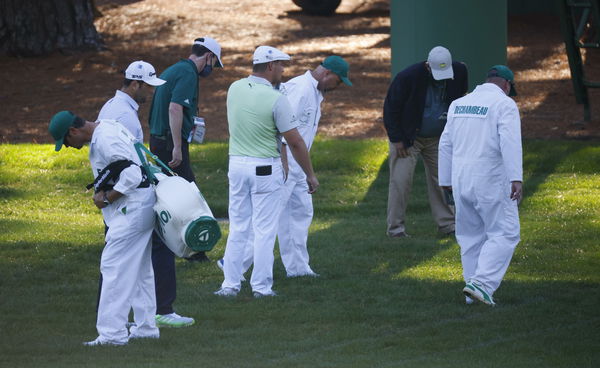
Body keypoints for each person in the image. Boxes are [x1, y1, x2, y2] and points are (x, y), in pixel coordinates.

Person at [215, 46, 319, 298]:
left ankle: (230, 285)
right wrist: (310, 174)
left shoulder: (235, 88)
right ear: (270, 66)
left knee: (239, 226)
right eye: (281, 65)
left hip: (236, 166)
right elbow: (294, 141)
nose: (284, 70)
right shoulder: (277, 99)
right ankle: (261, 287)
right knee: (264, 230)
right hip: (264, 169)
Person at [49, 111, 159, 346]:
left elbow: (131, 174)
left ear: (73, 131)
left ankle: (112, 335)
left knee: (114, 268)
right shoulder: (108, 125)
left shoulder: (105, 139)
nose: (68, 147)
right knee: (140, 270)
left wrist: (107, 197)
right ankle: (146, 328)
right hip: (141, 204)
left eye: (66, 142)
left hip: (132, 208)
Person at [147, 37, 223, 326]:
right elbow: (175, 108)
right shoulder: (189, 74)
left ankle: (192, 249)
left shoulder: (174, 69)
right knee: (187, 196)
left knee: (180, 193)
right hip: (169, 143)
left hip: (158, 139)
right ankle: (191, 247)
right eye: (214, 63)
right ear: (208, 57)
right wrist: (177, 146)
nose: (212, 69)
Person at [438, 65, 523, 306]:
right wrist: (516, 178)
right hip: (491, 178)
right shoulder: (504, 104)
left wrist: (445, 181)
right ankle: (482, 284)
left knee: (470, 235)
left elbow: (445, 144)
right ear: (506, 85)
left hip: (461, 178)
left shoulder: (458, 104)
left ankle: (472, 292)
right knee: (505, 232)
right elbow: (510, 143)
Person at [382, 46, 468, 238]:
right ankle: (395, 230)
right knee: (400, 181)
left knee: (444, 180)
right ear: (428, 66)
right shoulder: (407, 77)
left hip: (439, 138)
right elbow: (391, 109)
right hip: (407, 139)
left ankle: (448, 225)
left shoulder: (460, 72)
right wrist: (397, 139)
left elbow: (460, 101)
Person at [98, 60, 165, 143]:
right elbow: (123, 153)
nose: (153, 91)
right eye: (149, 86)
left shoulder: (111, 104)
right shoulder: (125, 114)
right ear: (134, 85)